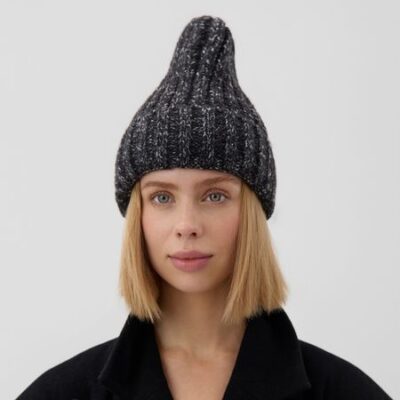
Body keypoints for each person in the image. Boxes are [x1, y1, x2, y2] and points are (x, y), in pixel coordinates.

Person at [16, 15, 392, 400]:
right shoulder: (59, 394)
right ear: (138, 216)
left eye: (214, 196)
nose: (187, 224)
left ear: (252, 213)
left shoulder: (345, 392)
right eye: (162, 197)